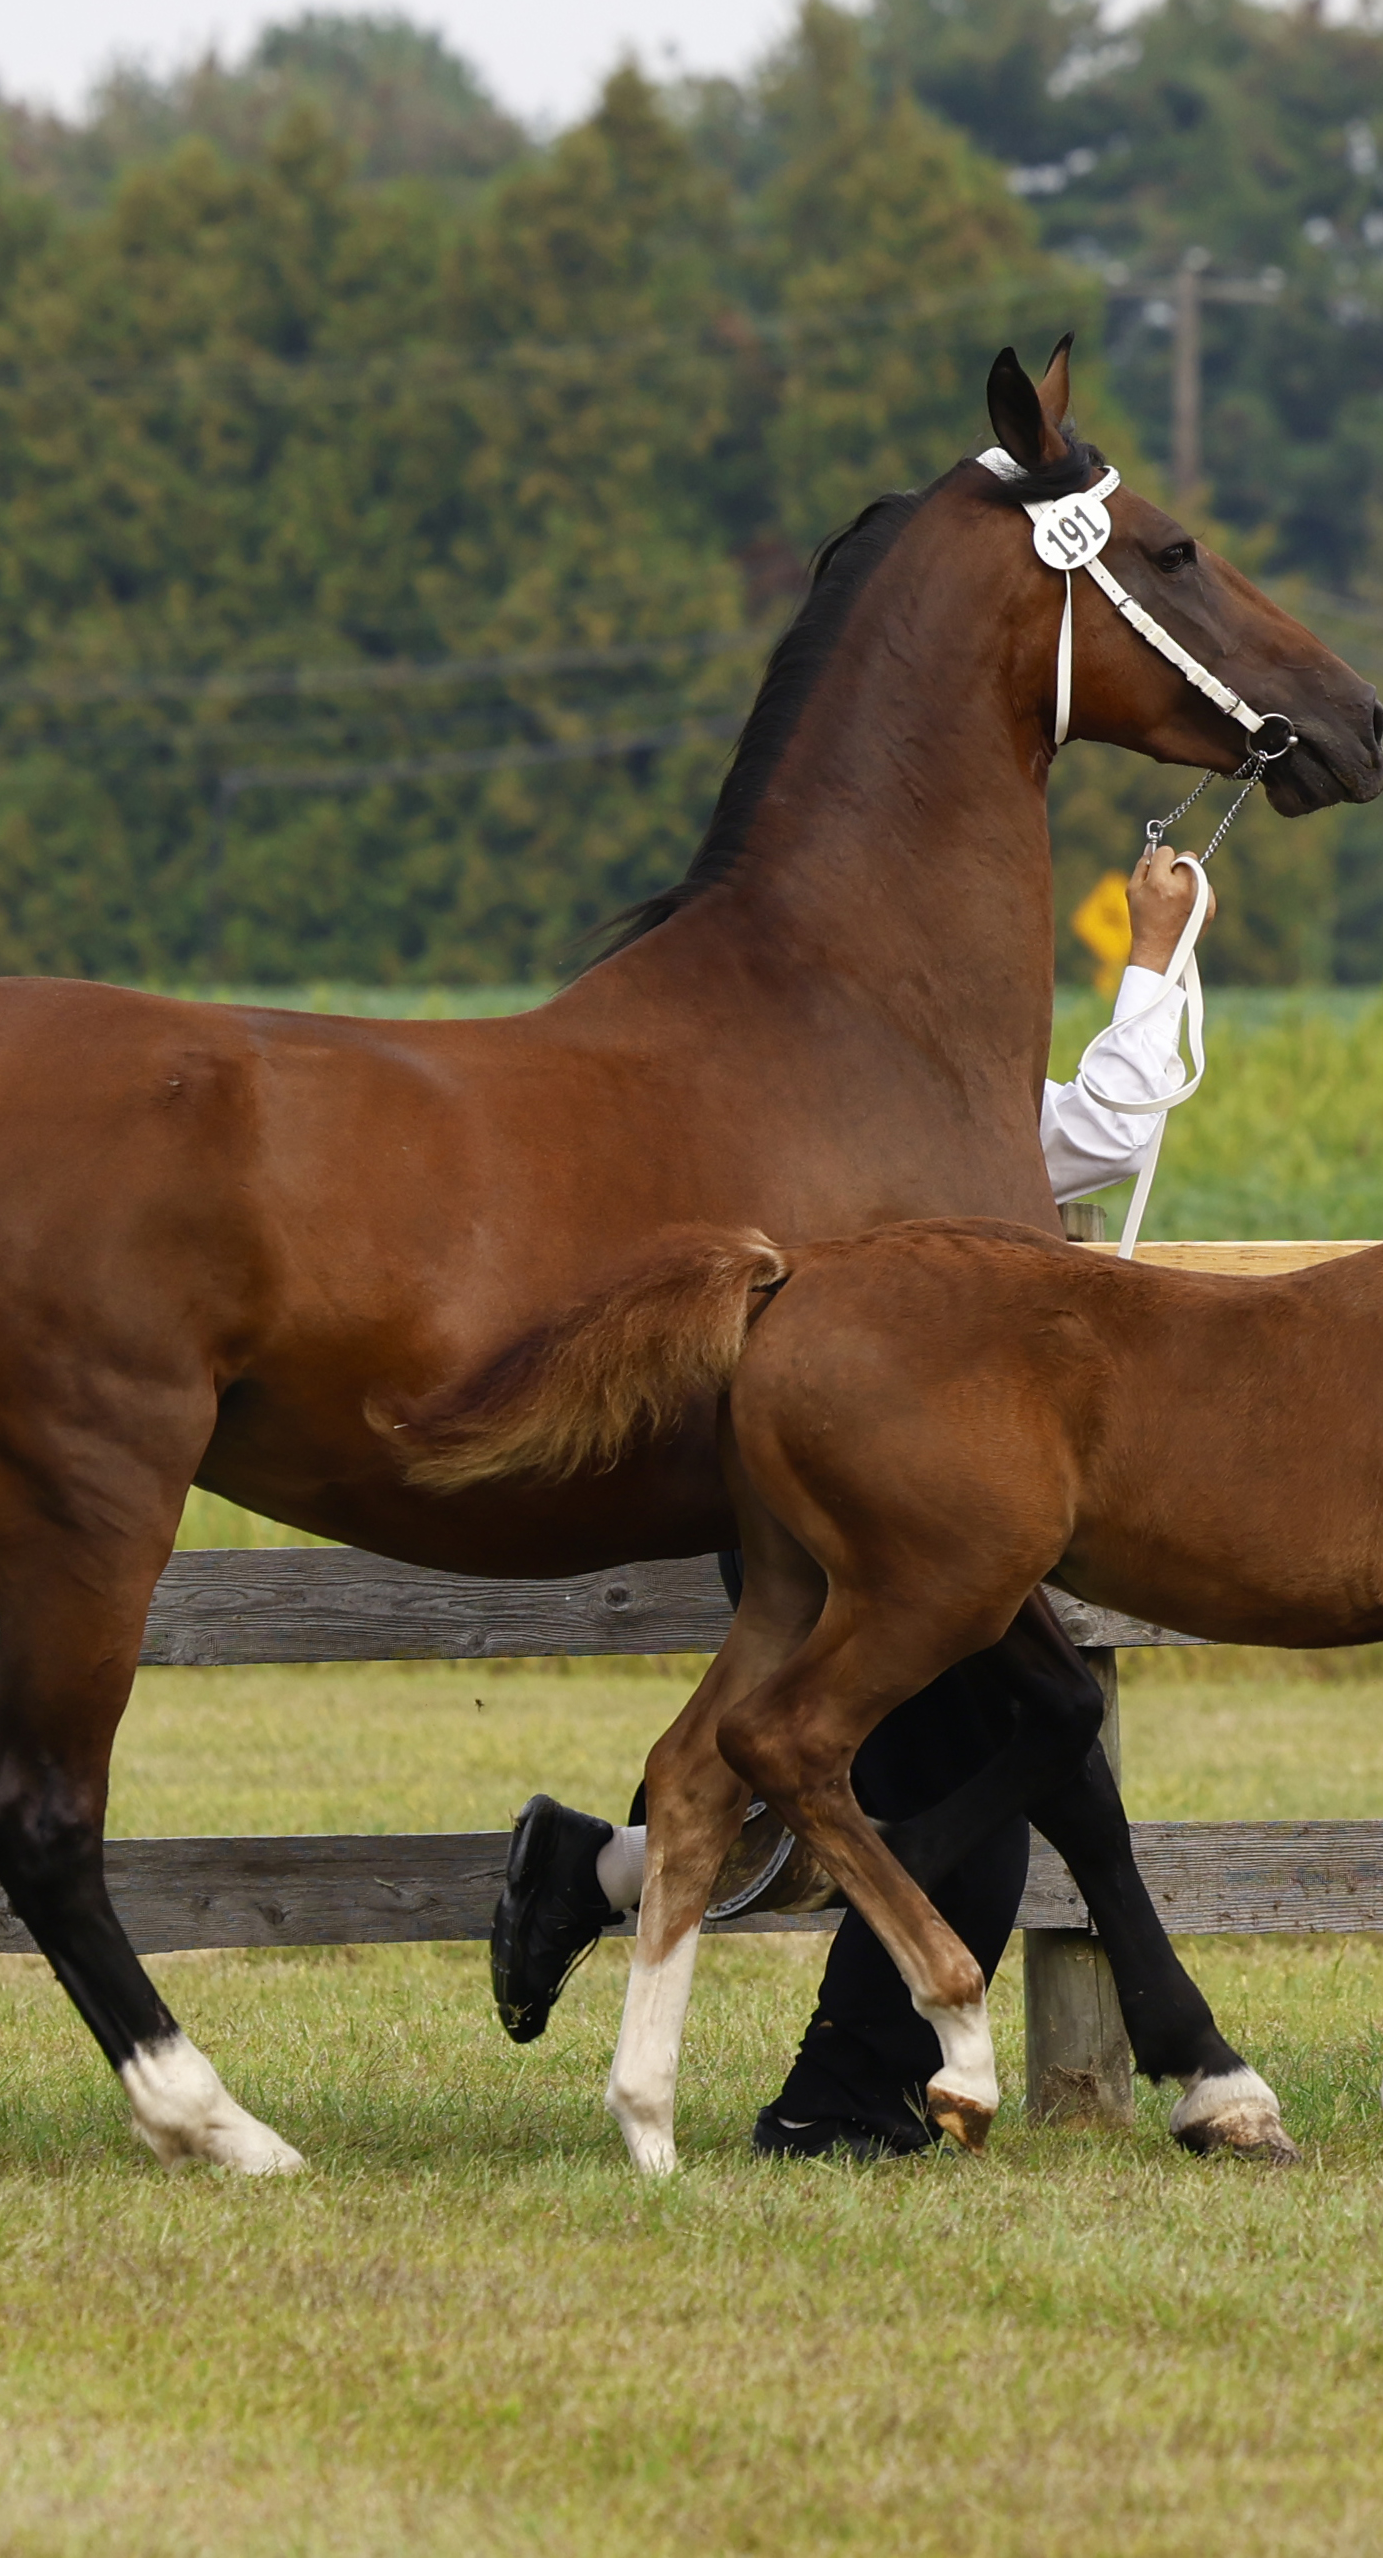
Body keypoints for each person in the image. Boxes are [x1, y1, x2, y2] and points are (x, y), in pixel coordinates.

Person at [488, 843, 1211, 2156]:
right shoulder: (907, 1121)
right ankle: (833, 2098)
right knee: (940, 1792)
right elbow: (1097, 1139)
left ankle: (596, 1876)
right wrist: (1155, 956)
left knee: (840, 1783)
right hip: (888, 1496)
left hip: (857, 1484)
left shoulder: (815, 1099)